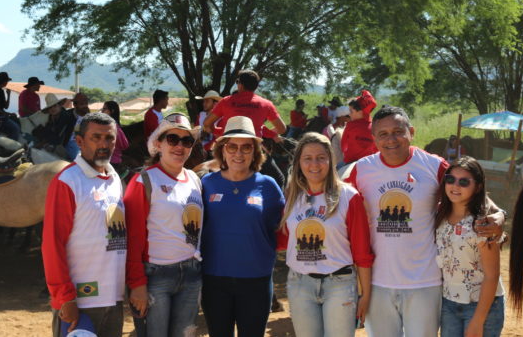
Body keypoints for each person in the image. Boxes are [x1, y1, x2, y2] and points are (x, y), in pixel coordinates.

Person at [345, 105, 505, 337]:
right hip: (377, 282)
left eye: (398, 131)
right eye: (383, 134)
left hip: (425, 283)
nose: (391, 139)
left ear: (411, 131)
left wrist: (500, 215)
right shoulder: (360, 170)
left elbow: (470, 193)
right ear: (374, 138)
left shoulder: (433, 165)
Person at [278, 132, 374, 337]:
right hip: (300, 283)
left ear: (331, 160)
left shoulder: (349, 196)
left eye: (321, 157)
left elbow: (362, 251)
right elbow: (283, 241)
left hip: (339, 284)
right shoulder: (292, 197)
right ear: (298, 163)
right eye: (308, 158)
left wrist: (365, 294)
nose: (315, 164)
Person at [42, 112, 126, 337]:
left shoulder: (114, 178)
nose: (103, 144)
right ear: (79, 142)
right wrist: (64, 297)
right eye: (95, 137)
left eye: (109, 138)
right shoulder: (67, 182)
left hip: (113, 298)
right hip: (81, 302)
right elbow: (52, 245)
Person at [200, 116, 285, 337]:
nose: (239, 153)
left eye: (246, 147)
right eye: (232, 146)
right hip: (214, 279)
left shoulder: (268, 186)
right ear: (222, 150)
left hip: (256, 279)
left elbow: (280, 227)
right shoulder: (206, 184)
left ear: (255, 152)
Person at [125, 113, 203, 337]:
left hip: (191, 274)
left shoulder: (194, 179)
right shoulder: (144, 181)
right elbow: (133, 238)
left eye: (187, 141)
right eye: (172, 139)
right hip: (155, 276)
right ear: (158, 144)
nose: (180, 146)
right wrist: (136, 283)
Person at [435, 156, 505, 337]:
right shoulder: (439, 215)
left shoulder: (483, 224)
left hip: (482, 306)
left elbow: (492, 275)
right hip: (448, 303)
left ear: (478, 187)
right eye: (450, 179)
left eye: (464, 182)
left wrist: (478, 320)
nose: (455, 186)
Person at [203, 70, 286, 138]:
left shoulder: (226, 101)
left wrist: (221, 131)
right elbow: (282, 129)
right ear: (256, 86)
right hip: (253, 147)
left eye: (237, 82)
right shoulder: (267, 104)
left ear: (241, 85)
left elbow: (207, 123)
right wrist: (265, 133)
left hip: (229, 147)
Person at [340, 89, 377, 165]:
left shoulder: (350, 125)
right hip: (371, 163)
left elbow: (343, 146)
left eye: (351, 111)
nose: (349, 114)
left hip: (350, 162)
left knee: (335, 172)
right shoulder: (375, 126)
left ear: (360, 112)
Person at [0, 72, 20, 140]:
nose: (7, 82)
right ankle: (12, 147)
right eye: (7, 81)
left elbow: (6, 106)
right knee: (16, 128)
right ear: (4, 81)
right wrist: (10, 114)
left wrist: (8, 95)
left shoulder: (0, 91)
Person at [101, 101, 130, 174]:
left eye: (104, 109)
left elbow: (125, 144)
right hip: (112, 160)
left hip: (110, 162)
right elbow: (125, 145)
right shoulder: (114, 126)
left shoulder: (112, 127)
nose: (102, 111)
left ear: (112, 111)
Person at [64, 92, 90, 161]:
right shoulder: (67, 115)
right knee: (79, 158)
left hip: (85, 142)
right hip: (71, 142)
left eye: (86, 103)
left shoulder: (89, 116)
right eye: (82, 104)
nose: (85, 106)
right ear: (75, 105)